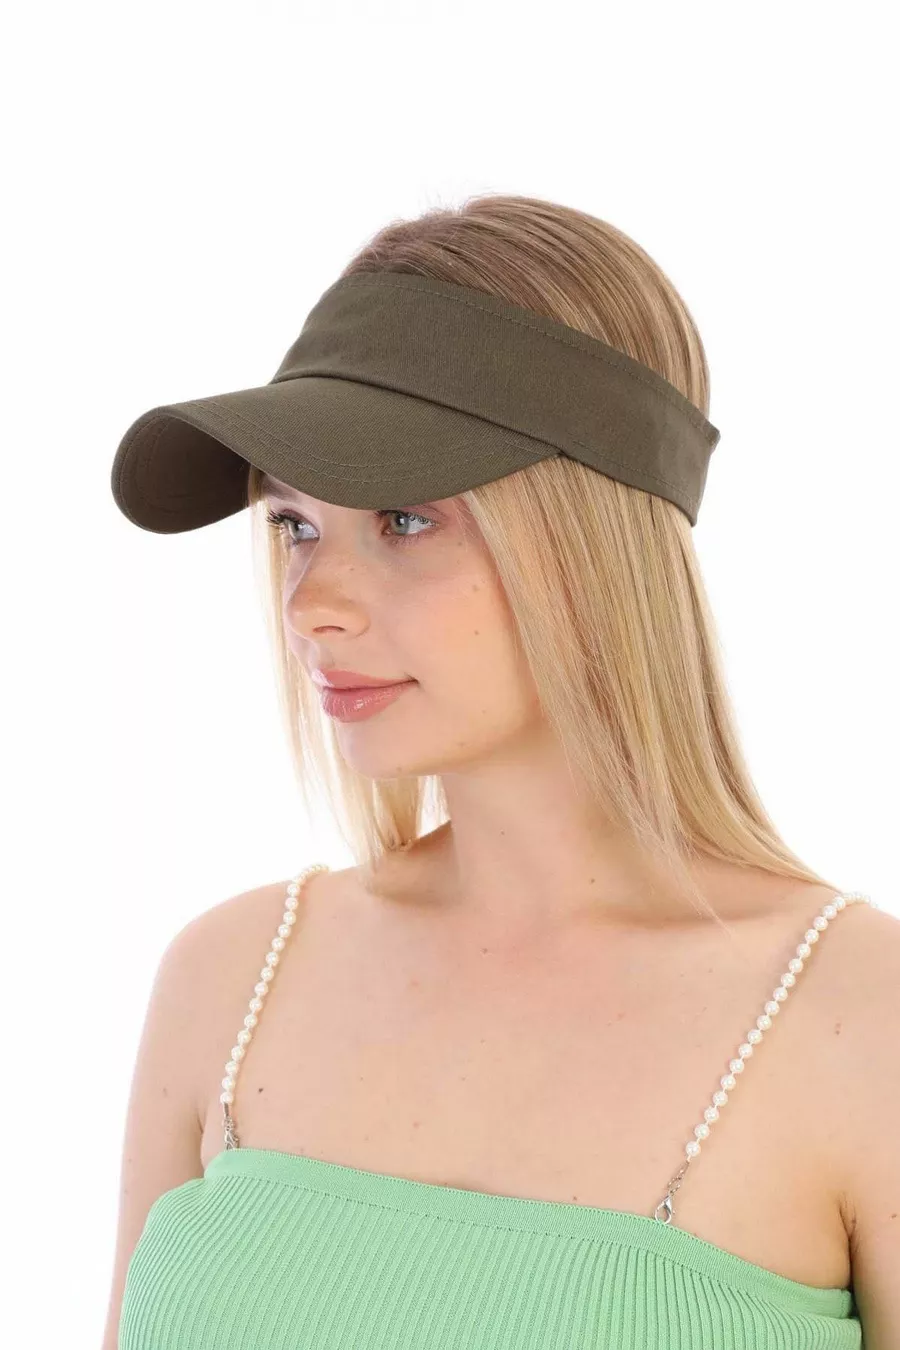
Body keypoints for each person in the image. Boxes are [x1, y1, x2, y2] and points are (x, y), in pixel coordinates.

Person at [102, 194, 899, 1349]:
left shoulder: (857, 1018)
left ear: (592, 540)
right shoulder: (227, 977)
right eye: (296, 526)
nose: (313, 606)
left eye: (405, 520)